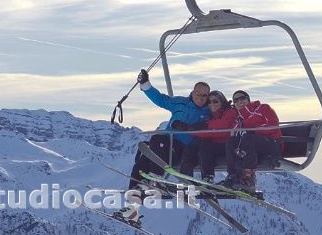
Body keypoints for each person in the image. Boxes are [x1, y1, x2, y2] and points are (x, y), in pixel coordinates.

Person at [116, 70, 210, 224]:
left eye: (204, 95)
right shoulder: (180, 103)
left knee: (158, 139)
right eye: (198, 93)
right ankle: (132, 209)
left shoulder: (208, 112)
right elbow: (160, 99)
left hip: (184, 149)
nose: (200, 98)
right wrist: (145, 84)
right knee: (140, 165)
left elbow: (222, 119)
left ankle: (156, 180)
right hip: (165, 145)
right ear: (192, 93)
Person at [222, 90, 282, 193]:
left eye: (242, 98)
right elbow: (234, 134)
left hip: (271, 143)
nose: (239, 102)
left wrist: (253, 131)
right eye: (235, 100)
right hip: (251, 148)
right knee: (231, 141)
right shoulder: (238, 119)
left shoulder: (263, 108)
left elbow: (273, 125)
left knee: (249, 138)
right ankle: (232, 176)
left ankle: (248, 179)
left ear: (248, 99)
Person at [194, 90, 235, 183]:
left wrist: (193, 131)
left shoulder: (230, 112)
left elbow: (223, 129)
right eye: (209, 102)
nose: (212, 104)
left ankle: (235, 178)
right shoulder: (211, 116)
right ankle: (207, 177)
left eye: (215, 101)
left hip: (231, 146)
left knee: (206, 145)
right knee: (204, 146)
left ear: (222, 102)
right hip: (220, 146)